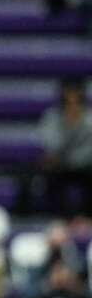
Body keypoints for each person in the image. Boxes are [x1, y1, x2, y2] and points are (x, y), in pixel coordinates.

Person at [38, 78, 92, 216]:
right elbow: (51, 145)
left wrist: (70, 160)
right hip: (59, 168)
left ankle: (87, 217)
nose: (72, 104)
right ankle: (57, 217)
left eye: (76, 100)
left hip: (84, 167)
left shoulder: (89, 119)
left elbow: (89, 150)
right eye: (68, 100)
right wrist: (69, 125)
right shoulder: (52, 117)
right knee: (48, 174)